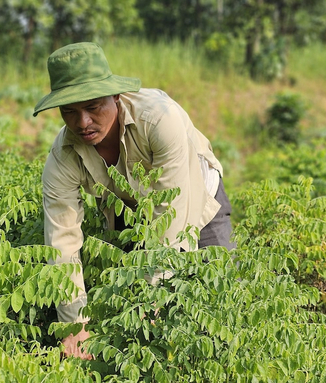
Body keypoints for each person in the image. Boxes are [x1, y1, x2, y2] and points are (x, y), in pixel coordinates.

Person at [33, 42, 235, 359]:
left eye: (93, 107)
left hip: (196, 203)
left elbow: (174, 213)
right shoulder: (63, 156)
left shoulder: (159, 119)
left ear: (116, 96)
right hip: (128, 214)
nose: (82, 122)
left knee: (215, 307)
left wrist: (149, 299)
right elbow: (62, 239)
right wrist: (74, 325)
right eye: (69, 112)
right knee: (137, 334)